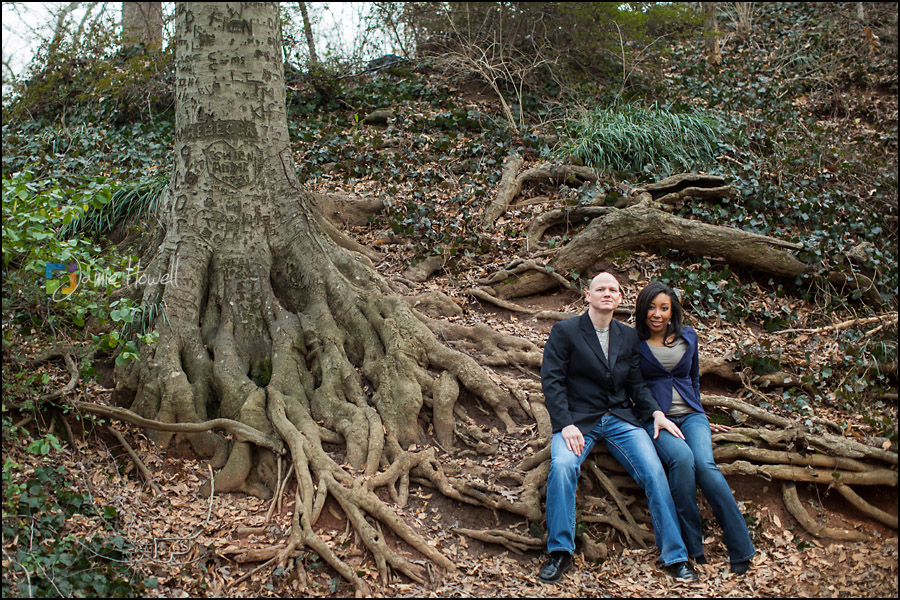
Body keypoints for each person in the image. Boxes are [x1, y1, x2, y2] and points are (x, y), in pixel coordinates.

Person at [539, 272, 698, 583]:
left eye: (613, 289)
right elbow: (552, 380)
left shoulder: (628, 336)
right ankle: (560, 552)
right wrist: (565, 423)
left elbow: (637, 383)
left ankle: (675, 556)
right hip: (578, 420)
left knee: (654, 470)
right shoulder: (565, 331)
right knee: (562, 466)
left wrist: (654, 412)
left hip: (620, 419)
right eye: (601, 289)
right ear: (588, 295)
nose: (607, 293)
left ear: (620, 298)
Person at [634, 281, 756, 575]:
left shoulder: (688, 337)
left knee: (705, 466)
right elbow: (635, 386)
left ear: (672, 310)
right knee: (683, 460)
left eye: (664, 308)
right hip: (656, 420)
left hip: (692, 416)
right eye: (651, 307)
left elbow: (693, 379)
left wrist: (699, 411)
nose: (657, 314)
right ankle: (693, 548)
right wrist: (655, 413)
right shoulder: (633, 343)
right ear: (643, 309)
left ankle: (741, 548)